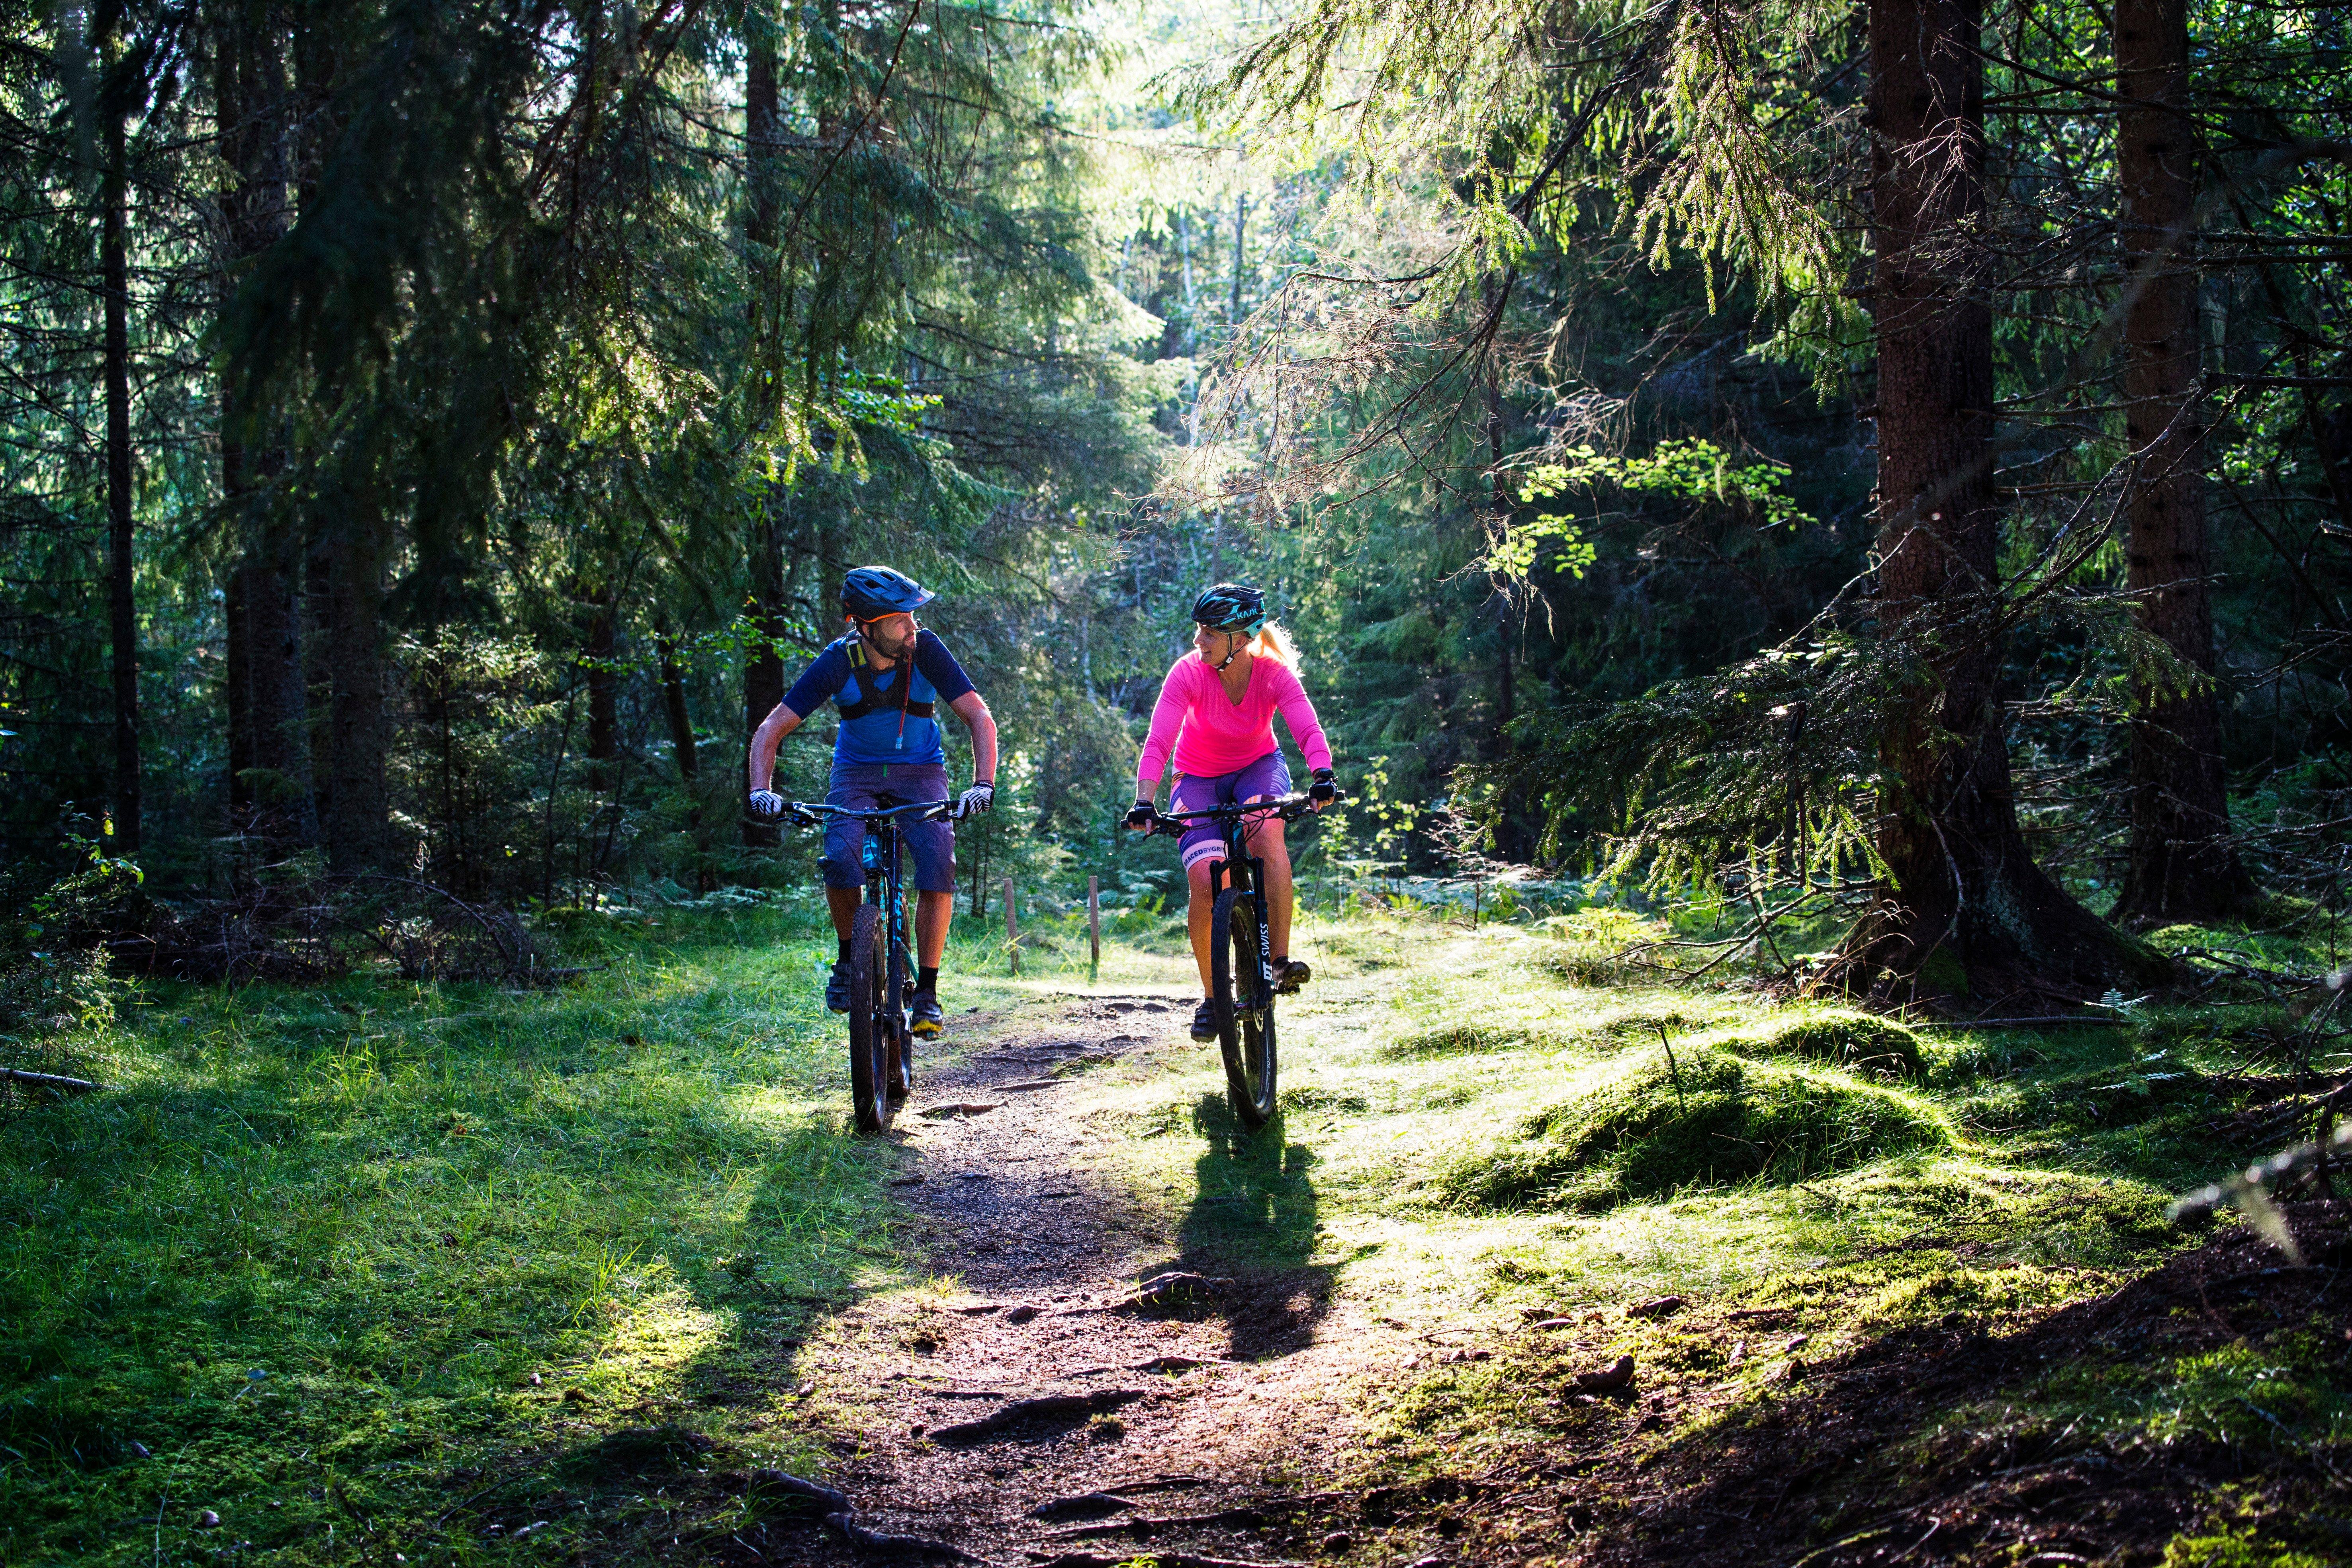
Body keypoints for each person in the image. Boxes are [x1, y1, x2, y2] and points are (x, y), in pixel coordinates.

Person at [746, 566, 998, 1038]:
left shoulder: (926, 650)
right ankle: (847, 961)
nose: (912, 627)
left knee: (938, 857)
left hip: (921, 772)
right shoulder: (837, 662)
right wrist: (762, 790)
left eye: (912, 617)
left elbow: (979, 717)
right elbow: (770, 729)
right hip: (855, 774)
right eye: (899, 619)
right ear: (865, 627)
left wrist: (982, 784)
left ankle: (927, 990)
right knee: (839, 858)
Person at [1126, 583, 1336, 1043]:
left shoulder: (1274, 674)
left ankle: (1278, 962)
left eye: (1208, 632)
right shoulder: (1186, 673)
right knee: (1205, 878)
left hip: (1258, 769)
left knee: (1266, 834)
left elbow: (1305, 724)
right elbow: (1160, 738)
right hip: (1196, 778)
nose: (1198, 641)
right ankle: (1211, 997)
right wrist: (1145, 798)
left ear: (1239, 638)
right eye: (1199, 631)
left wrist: (1322, 774)